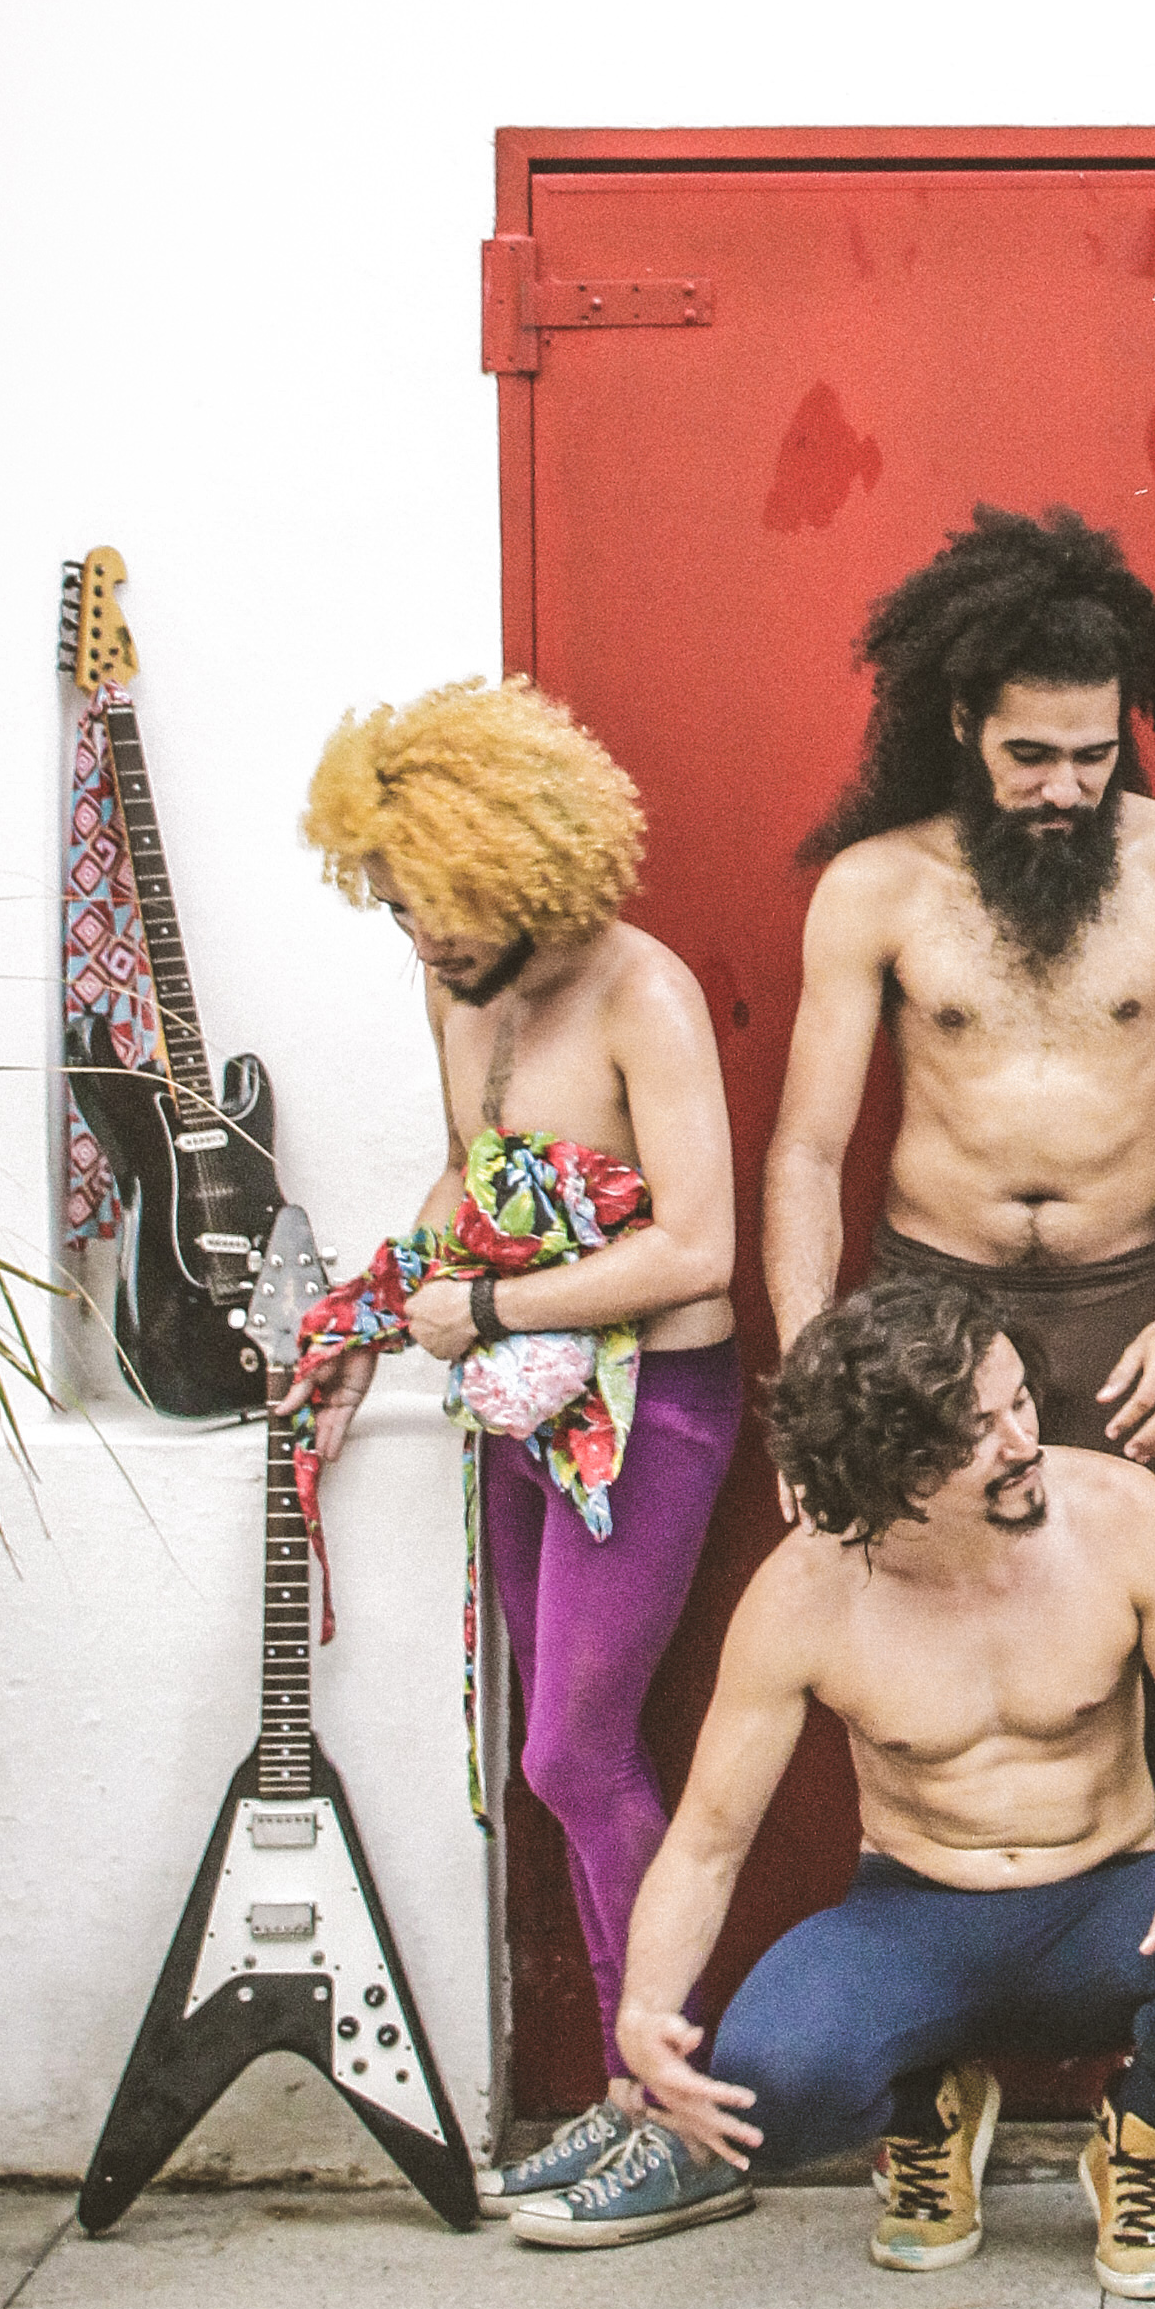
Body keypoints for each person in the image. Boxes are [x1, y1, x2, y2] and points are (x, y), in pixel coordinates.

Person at [761, 502, 1155, 2201]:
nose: (1065, 786)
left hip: (1131, 1314)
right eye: (1029, 756)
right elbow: (802, 1152)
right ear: (961, 726)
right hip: (930, 1315)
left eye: (1091, 753)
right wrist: (813, 1394)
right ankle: (938, 2060)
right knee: (913, 1664)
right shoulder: (877, 888)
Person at [506, 1276, 1155, 2294]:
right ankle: (929, 2119)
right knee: (764, 2099)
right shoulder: (805, 1595)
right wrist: (645, 2011)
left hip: (1104, 1907)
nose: (1025, 1442)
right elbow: (706, 1844)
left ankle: (1138, 2142)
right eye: (979, 1432)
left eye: (1020, 1402)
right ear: (896, 1469)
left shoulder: (1122, 1515)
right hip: (916, 1917)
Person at [286, 676, 742, 2216]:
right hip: (526, 1412)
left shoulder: (642, 994)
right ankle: (631, 2097)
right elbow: (466, 1175)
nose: (420, 937)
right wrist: (363, 1326)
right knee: (560, 1759)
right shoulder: (456, 990)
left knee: (573, 1751)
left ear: (521, 862)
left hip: (654, 1408)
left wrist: (480, 1307)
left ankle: (680, 2119)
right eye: (395, 905)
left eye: (439, 902)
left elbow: (698, 1250)